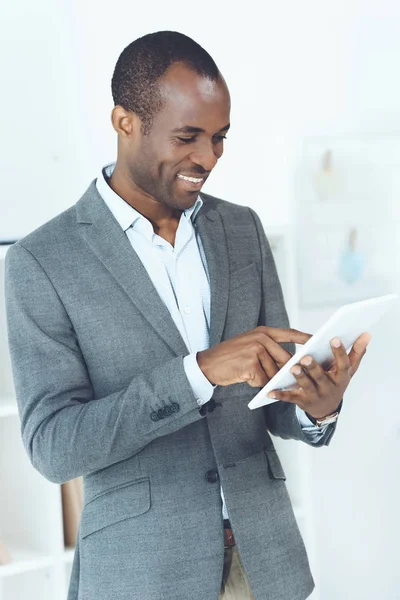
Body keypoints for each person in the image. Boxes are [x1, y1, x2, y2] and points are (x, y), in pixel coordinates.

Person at [4, 31, 371, 600]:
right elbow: (54, 447)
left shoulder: (241, 228)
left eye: (220, 138)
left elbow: (273, 397)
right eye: (188, 136)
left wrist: (315, 409)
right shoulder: (43, 262)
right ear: (125, 122)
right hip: (141, 575)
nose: (208, 158)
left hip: (266, 567)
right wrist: (198, 371)